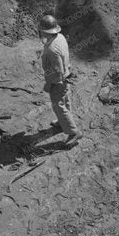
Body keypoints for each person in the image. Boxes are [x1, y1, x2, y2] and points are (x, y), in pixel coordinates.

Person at [39, 14, 81, 148]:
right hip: (66, 76)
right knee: (65, 100)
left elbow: (58, 73)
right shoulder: (60, 37)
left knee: (59, 105)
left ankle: (73, 132)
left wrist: (49, 84)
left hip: (58, 81)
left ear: (44, 31)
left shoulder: (52, 50)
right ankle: (63, 122)